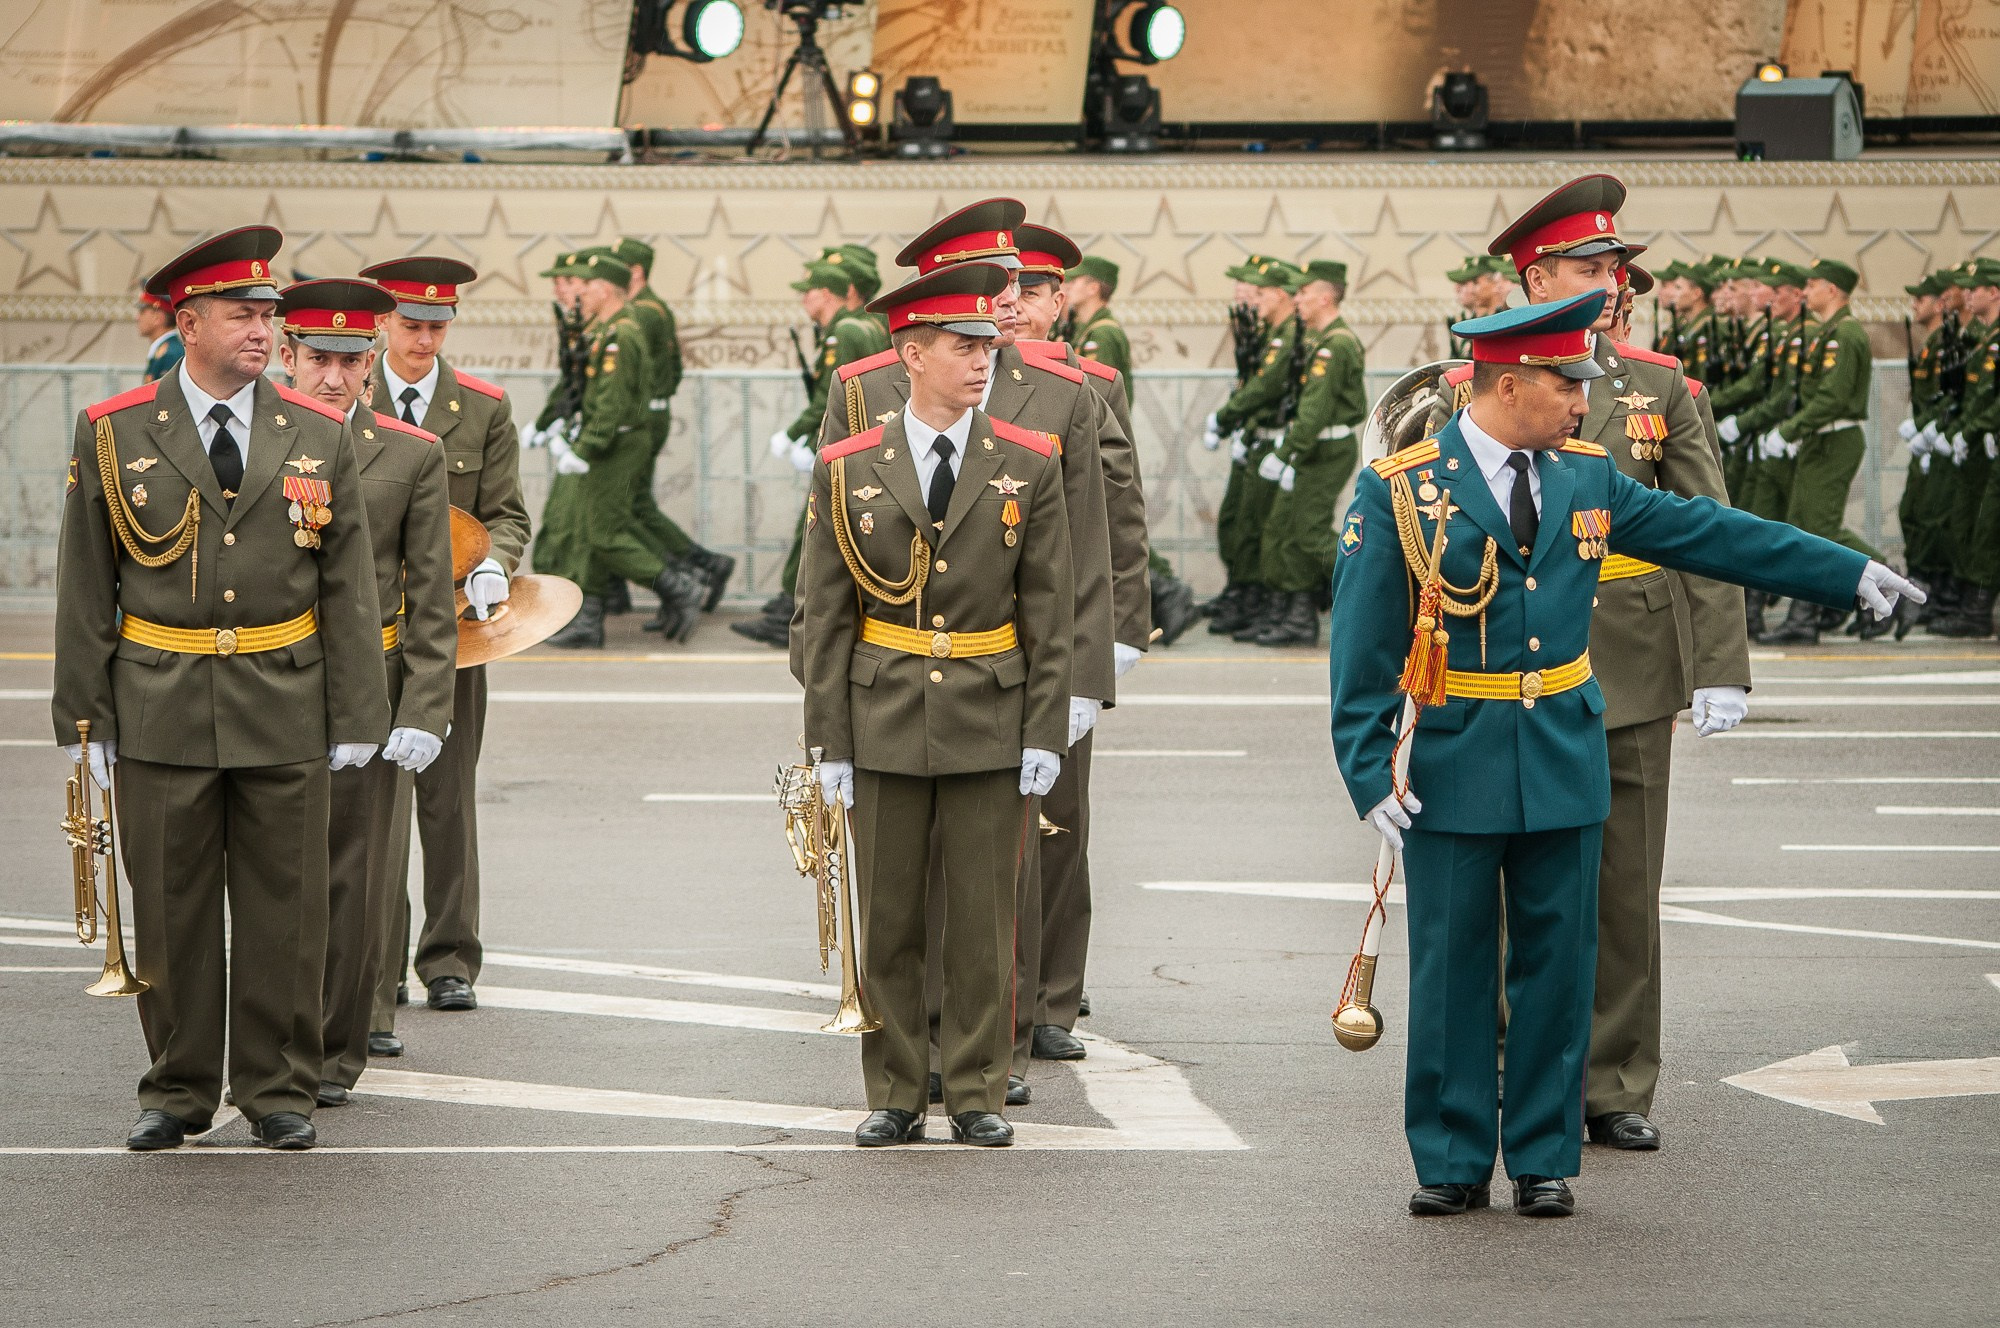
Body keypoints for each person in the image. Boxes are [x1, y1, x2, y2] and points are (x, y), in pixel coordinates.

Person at [1330, 289, 1920, 1217]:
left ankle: (1540, 1158)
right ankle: (1448, 1159)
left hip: (1565, 751)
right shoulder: (1403, 487)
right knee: (1450, 966)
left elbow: (1707, 532)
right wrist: (1371, 773)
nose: (1581, 401)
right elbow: (1362, 651)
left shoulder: (1586, 476)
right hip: (1452, 758)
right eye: (1568, 384)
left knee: (1560, 964)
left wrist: (1841, 569)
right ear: (1510, 380)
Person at [55, 226, 391, 1151]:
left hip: (285, 697)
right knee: (170, 910)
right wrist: (88, 720)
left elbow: (348, 583)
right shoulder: (114, 431)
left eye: (267, 315)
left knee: (288, 910)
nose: (261, 330)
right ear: (187, 321)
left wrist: (361, 712)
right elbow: (88, 582)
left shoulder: (316, 433)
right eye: (242, 315)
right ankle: (178, 1087)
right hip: (159, 698)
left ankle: (278, 1089)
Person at [1436, 173, 1752, 1151]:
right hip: (1497, 666)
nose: (1608, 283)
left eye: (1612, 268)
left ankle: (1612, 1078)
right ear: (1533, 276)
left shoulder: (1657, 386)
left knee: (1620, 890)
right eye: (1585, 266)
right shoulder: (1468, 386)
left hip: (1628, 664)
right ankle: (1508, 1064)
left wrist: (1717, 662)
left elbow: (1703, 526)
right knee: (1496, 891)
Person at [796, 260, 1074, 1148]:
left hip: (991, 713)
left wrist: (1045, 728)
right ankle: (895, 1089)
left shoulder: (1027, 463)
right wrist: (827, 741)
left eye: (988, 344)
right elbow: (826, 610)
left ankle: (978, 1089)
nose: (983, 359)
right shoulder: (849, 465)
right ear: (910, 354)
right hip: (882, 714)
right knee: (891, 916)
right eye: (963, 346)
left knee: (985, 920)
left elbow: (1050, 607)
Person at [275, 277, 456, 1107]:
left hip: (371, 684)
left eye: (352, 362)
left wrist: (423, 706)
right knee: (275, 874)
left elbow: (428, 593)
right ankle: (271, 1039)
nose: (334, 379)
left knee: (356, 879)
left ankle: (334, 1049)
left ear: (372, 362)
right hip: (268, 683)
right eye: (318, 360)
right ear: (288, 358)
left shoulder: (410, 454)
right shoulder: (260, 441)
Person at [359, 255, 531, 1030]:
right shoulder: (349, 397)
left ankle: (451, 958)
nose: (426, 338)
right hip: (368, 631)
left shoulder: (482, 408)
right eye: (412, 324)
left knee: (447, 800)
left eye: (438, 325)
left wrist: (494, 563)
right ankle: (379, 961)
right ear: (385, 325)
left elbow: (507, 512)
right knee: (370, 802)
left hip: (455, 631)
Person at [736, 258, 892, 648]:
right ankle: (793, 606)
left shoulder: (847, 331)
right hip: (864, 441)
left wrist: (797, 436)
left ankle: (795, 610)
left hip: (848, 443)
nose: (803, 299)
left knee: (816, 523)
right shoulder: (864, 326)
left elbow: (831, 396)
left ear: (826, 295)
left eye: (808, 292)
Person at [1058, 251, 1198, 646]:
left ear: (1095, 288)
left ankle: (1169, 595)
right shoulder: (1088, 330)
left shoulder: (1103, 334)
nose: (1067, 287)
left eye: (1076, 281)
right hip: (1099, 439)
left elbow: (1099, 394)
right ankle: (1169, 595)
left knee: (1115, 528)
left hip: (1103, 440)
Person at [1757, 259, 1883, 643]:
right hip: (1817, 437)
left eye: (1813, 285)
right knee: (1804, 524)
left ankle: (1885, 581)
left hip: (1834, 438)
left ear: (1832, 290)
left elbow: (1833, 396)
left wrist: (1790, 429)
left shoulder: (1845, 335)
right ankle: (1809, 613)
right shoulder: (1828, 331)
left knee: (1819, 528)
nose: (1805, 292)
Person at [613, 237, 734, 625]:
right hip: (651, 412)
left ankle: (687, 574)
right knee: (636, 506)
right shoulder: (652, 309)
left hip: (641, 416)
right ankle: (699, 567)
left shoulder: (641, 312)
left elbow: (636, 372)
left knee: (629, 508)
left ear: (634, 271)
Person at [1245, 259, 1364, 647]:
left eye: (1305, 292)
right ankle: (1297, 614)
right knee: (1288, 528)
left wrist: (1287, 453)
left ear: (1325, 296)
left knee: (1310, 533)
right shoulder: (1321, 340)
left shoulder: (1338, 344)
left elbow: (1316, 409)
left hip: (1326, 447)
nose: (1298, 299)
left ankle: (1376, 585)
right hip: (1314, 446)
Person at [1205, 258, 1305, 640]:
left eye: (1258, 292)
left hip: (1278, 439)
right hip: (1259, 435)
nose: (1250, 298)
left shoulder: (1288, 334)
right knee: (1241, 522)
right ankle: (1248, 596)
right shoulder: (1270, 332)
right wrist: (1243, 430)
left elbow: (1266, 389)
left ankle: (1271, 602)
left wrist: (1228, 419)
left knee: (1270, 529)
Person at [1942, 259, 2000, 639]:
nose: (1967, 294)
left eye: (1974, 289)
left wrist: (1975, 429)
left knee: (1989, 525)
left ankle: (1977, 608)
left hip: (1987, 438)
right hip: (1983, 439)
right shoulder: (1985, 338)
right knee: (1979, 523)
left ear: (1994, 292)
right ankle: (1971, 604)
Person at [137, 291, 184, 383]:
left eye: (142, 312)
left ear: (157, 318)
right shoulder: (164, 351)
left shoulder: (170, 354)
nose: (137, 317)